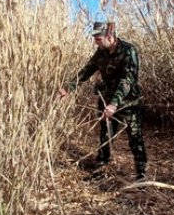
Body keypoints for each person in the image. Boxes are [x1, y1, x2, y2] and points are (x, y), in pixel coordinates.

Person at [59, 21, 147, 181]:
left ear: (109, 36)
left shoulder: (129, 51)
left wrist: (115, 103)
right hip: (106, 100)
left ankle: (141, 173)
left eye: (98, 38)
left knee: (135, 137)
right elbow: (86, 71)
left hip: (128, 102)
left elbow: (128, 80)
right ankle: (101, 167)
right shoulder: (101, 52)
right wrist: (68, 87)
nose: (95, 42)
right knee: (106, 135)